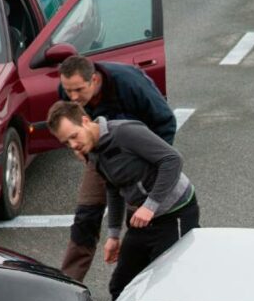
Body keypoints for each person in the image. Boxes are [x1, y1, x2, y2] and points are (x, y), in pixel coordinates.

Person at [46, 101, 199, 300]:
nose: (73, 145)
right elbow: (113, 187)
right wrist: (114, 235)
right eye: (66, 142)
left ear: (85, 121)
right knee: (121, 286)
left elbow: (172, 160)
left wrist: (150, 206)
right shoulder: (92, 151)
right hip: (142, 220)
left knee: (166, 285)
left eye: (74, 136)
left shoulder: (124, 132)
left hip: (175, 213)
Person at [56, 55, 177, 282]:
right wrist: (82, 151)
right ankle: (69, 285)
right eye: (67, 90)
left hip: (138, 155)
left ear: (93, 80)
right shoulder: (69, 91)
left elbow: (166, 122)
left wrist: (150, 165)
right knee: (85, 218)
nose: (72, 97)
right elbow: (68, 123)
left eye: (78, 90)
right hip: (99, 156)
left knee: (143, 220)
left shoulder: (130, 84)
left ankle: (153, 283)